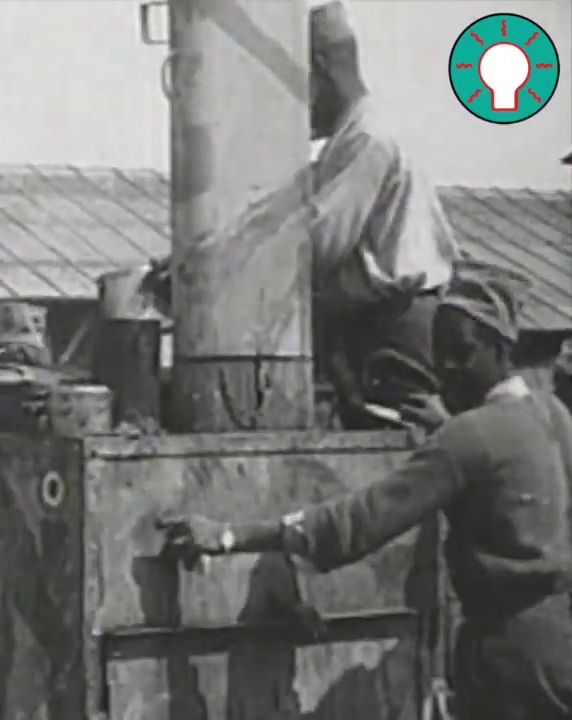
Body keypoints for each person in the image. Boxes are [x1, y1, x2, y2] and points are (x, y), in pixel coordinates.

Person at [158, 265, 572, 720]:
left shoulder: (465, 438)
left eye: (463, 352)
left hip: (510, 658)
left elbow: (358, 523)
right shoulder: (554, 414)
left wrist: (230, 536)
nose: (447, 370)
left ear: (500, 348)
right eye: (439, 356)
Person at [151, 0, 462, 431]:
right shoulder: (355, 137)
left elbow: (319, 243)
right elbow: (281, 215)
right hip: (383, 321)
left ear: (319, 70)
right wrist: (213, 253)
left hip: (395, 328)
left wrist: (222, 275)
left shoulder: (367, 140)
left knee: (397, 442)